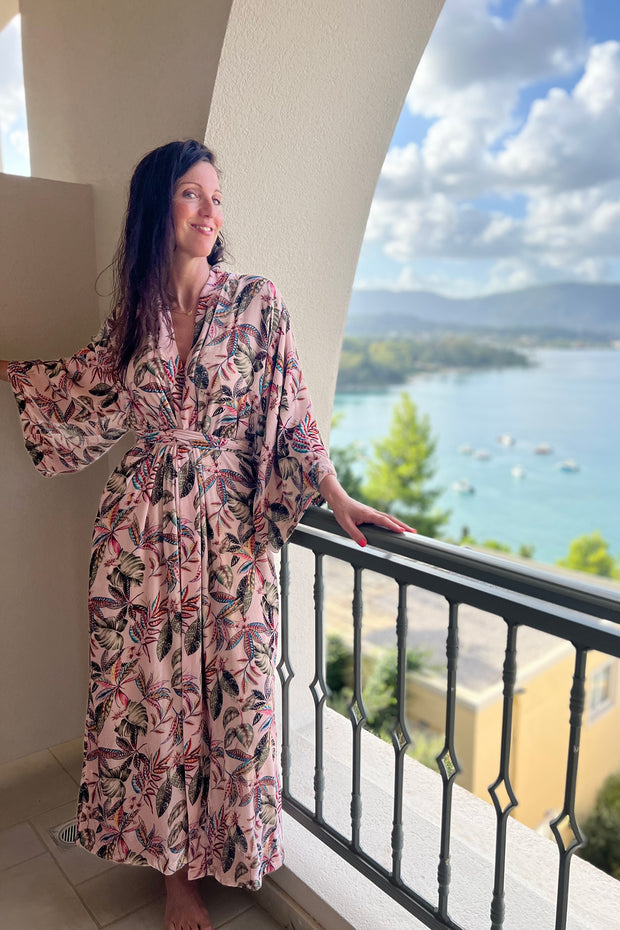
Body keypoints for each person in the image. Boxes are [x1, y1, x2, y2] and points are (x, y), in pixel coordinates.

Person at [0, 139, 413, 930]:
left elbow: (291, 412)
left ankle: (228, 849)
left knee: (235, 692)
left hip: (230, 533)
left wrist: (337, 495)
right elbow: (78, 386)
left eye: (217, 196)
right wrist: (12, 371)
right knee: (155, 701)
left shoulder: (259, 300)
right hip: (140, 536)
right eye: (193, 193)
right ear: (159, 206)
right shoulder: (133, 317)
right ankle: (175, 880)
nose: (211, 209)